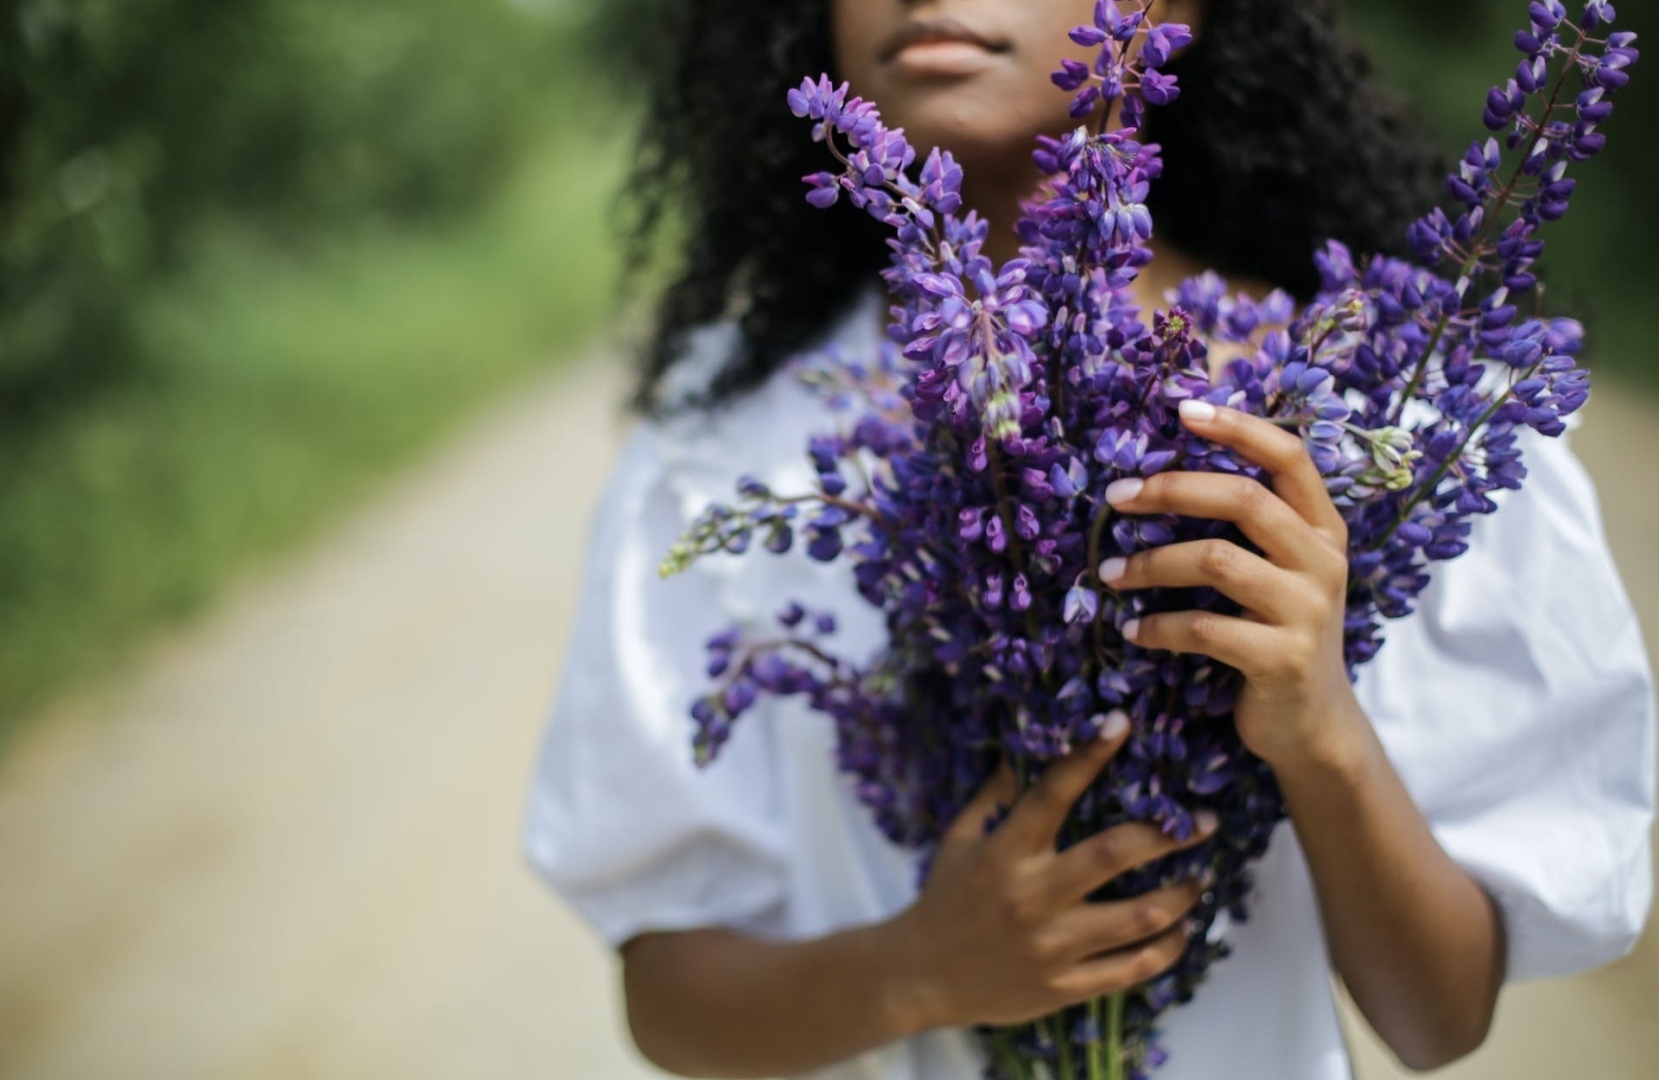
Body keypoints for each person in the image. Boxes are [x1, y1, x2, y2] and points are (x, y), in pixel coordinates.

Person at [522, 2, 1656, 1078]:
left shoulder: (1396, 419)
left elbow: (1440, 1018)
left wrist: (1321, 733)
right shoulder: (725, 445)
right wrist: (915, 970)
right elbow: (667, 997)